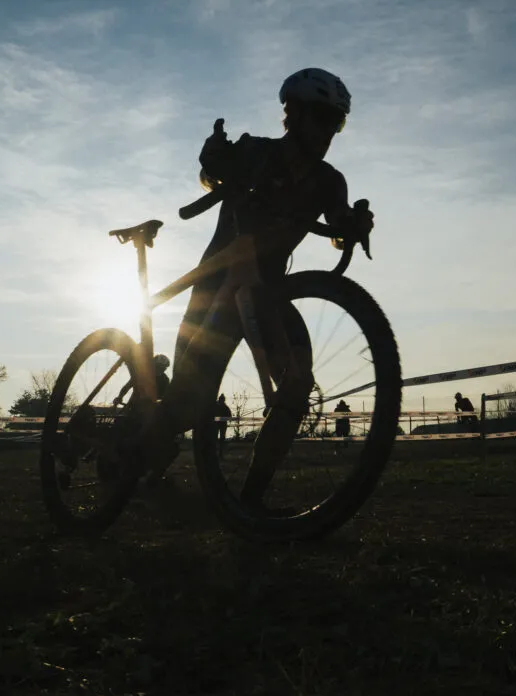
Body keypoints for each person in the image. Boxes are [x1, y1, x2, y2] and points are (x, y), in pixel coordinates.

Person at [115, 68, 374, 511]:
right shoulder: (256, 152)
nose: (329, 131)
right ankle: (132, 457)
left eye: (337, 122)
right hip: (217, 284)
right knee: (184, 403)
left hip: (269, 293)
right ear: (292, 114)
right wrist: (213, 154)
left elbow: (336, 222)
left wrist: (353, 224)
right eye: (321, 118)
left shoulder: (330, 181)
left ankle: (249, 504)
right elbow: (211, 173)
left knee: (297, 389)